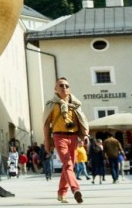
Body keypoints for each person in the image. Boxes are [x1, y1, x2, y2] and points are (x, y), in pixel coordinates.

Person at [43, 76, 89, 204]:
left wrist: (84, 135)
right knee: (68, 164)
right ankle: (76, 190)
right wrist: (46, 141)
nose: (64, 88)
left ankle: (61, 193)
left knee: (69, 165)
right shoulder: (51, 105)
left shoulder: (75, 104)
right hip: (59, 136)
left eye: (66, 86)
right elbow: (46, 124)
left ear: (69, 89)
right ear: (55, 89)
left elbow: (82, 121)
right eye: (61, 85)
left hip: (73, 137)